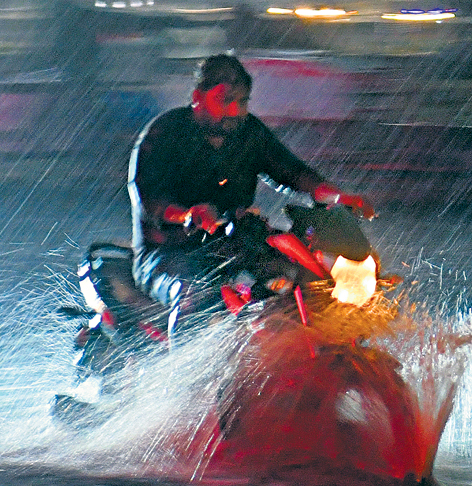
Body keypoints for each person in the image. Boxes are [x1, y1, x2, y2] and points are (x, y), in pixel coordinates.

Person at [127, 53, 373, 324]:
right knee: (193, 297)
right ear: (198, 97)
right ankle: (184, 365)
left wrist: (337, 196)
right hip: (169, 253)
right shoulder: (165, 134)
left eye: (242, 102)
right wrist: (187, 215)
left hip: (237, 244)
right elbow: (149, 200)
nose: (234, 111)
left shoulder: (250, 133)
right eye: (224, 101)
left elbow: (294, 173)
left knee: (305, 278)